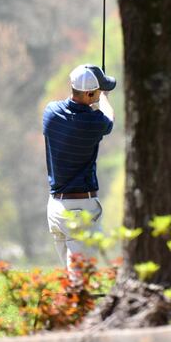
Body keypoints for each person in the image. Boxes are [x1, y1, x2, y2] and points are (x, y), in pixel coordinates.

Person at [43, 64, 116, 272]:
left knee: (72, 280)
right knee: (79, 282)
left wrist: (95, 96)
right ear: (91, 93)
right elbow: (109, 118)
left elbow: (79, 113)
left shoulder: (50, 112)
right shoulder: (94, 122)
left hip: (55, 208)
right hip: (80, 209)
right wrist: (105, 98)